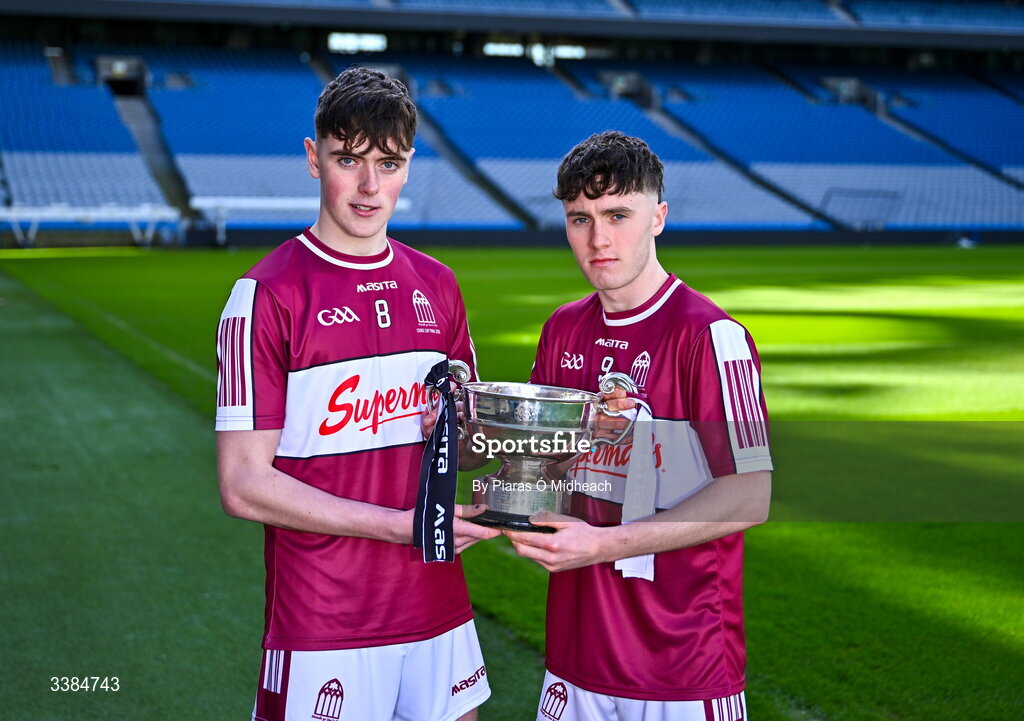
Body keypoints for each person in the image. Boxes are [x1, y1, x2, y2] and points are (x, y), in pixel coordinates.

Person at [214, 66, 497, 721]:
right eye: (350, 159)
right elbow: (243, 483)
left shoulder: (439, 285)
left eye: (389, 163)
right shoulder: (264, 297)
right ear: (315, 159)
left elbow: (471, 437)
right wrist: (400, 527)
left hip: (437, 605)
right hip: (323, 619)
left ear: (408, 167)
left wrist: (520, 463)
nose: (370, 186)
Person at [506, 130, 773, 721]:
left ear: (659, 216)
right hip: (574, 659)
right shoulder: (562, 330)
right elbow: (538, 463)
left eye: (618, 215)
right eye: (580, 219)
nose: (598, 239)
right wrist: (472, 449)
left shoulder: (711, 337)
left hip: (682, 666)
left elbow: (752, 495)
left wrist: (601, 545)